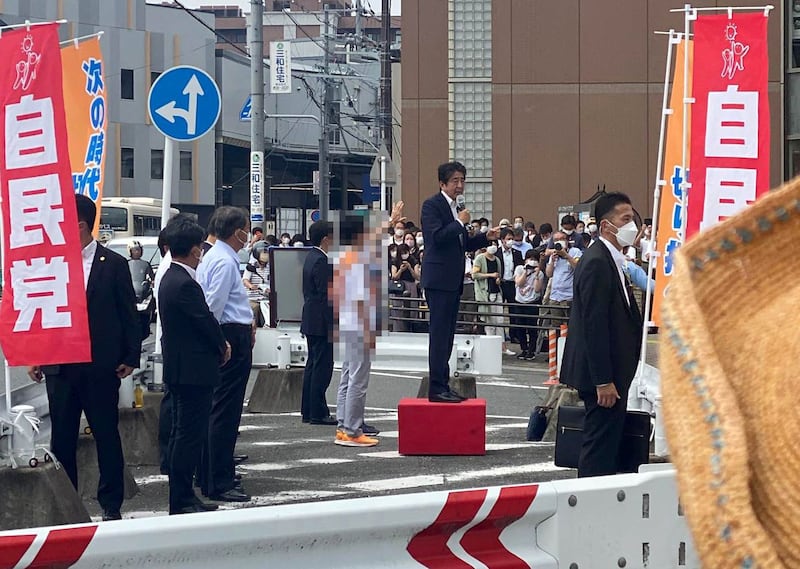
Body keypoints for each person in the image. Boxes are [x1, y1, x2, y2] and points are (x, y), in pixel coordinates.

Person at [27, 194, 140, 521]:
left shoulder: (113, 264)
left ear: (78, 224)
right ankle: (68, 505)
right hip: (60, 365)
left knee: (105, 434)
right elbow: (42, 313)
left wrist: (131, 356)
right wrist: (36, 353)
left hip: (100, 364)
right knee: (61, 438)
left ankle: (111, 504)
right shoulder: (51, 264)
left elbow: (128, 315)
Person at [560, 192, 643, 478]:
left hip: (614, 372)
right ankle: (588, 503)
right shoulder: (597, 261)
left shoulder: (613, 260)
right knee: (599, 445)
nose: (633, 225)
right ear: (607, 226)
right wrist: (603, 380)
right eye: (626, 219)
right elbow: (594, 326)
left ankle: (599, 499)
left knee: (607, 443)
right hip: (603, 377)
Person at [159, 216, 231, 515]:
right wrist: (222, 344)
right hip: (193, 370)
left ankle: (183, 496)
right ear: (194, 249)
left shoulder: (169, 277)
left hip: (179, 368)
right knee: (188, 435)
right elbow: (205, 321)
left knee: (181, 433)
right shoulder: (185, 283)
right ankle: (182, 498)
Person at [420, 161, 496, 403]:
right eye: (455, 181)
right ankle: (436, 388)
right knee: (439, 335)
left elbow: (461, 243)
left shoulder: (456, 209)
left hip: (453, 280)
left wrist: (484, 237)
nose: (460, 185)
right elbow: (438, 238)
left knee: (448, 335)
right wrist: (460, 222)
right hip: (439, 279)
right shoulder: (433, 205)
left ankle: (444, 383)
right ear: (442, 183)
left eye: (462, 180)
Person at [196, 206, 255, 503]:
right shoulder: (223, 262)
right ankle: (219, 478)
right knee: (224, 412)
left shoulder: (216, 257)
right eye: (246, 229)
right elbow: (214, 307)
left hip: (230, 333)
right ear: (237, 232)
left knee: (219, 409)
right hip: (230, 335)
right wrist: (221, 343)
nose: (249, 235)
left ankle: (214, 474)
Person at [333, 215, 381, 447]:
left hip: (346, 321)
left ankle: (344, 426)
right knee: (358, 380)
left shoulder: (344, 256)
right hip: (360, 322)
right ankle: (353, 430)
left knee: (347, 377)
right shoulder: (358, 259)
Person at [301, 220, 336, 424]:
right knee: (322, 367)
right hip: (322, 321)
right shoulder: (322, 261)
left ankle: (308, 409)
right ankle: (318, 412)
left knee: (313, 365)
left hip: (312, 319)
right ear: (326, 239)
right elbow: (327, 294)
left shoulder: (311, 257)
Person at [471, 245, 507, 352]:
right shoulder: (480, 258)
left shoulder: (497, 260)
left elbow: (499, 274)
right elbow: (475, 275)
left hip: (496, 291)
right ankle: (491, 346)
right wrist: (490, 275)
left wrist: (498, 279)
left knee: (499, 319)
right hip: (485, 292)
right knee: (489, 320)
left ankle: (502, 346)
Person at [513, 249, 544, 360]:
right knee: (520, 327)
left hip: (532, 302)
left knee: (532, 328)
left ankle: (531, 350)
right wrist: (526, 271)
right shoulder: (519, 269)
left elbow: (537, 289)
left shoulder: (539, 273)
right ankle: (523, 349)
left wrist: (536, 274)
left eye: (534, 260)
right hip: (519, 301)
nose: (531, 261)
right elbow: (519, 283)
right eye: (529, 259)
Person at [126, 240, 155, 342]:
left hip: (143, 295)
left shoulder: (146, 264)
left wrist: (151, 283)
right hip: (130, 295)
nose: (137, 252)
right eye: (135, 250)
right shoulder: (125, 264)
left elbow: (152, 278)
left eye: (138, 250)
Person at [242, 240, 270, 327]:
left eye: (267, 252)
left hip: (265, 298)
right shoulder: (251, 266)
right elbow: (245, 280)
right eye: (263, 252)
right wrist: (251, 286)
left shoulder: (271, 267)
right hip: (252, 298)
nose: (265, 254)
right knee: (253, 309)